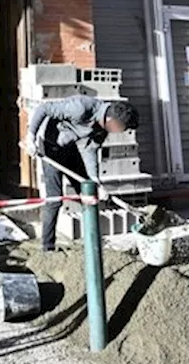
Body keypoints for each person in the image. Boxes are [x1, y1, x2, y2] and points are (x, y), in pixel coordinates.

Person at [25, 96, 140, 252]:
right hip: (50, 148)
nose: (120, 133)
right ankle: (47, 247)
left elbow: (89, 152)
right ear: (112, 121)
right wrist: (30, 137)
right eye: (122, 129)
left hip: (70, 148)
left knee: (88, 194)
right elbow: (43, 109)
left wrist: (96, 183)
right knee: (55, 199)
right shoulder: (80, 108)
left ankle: (93, 243)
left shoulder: (102, 129)